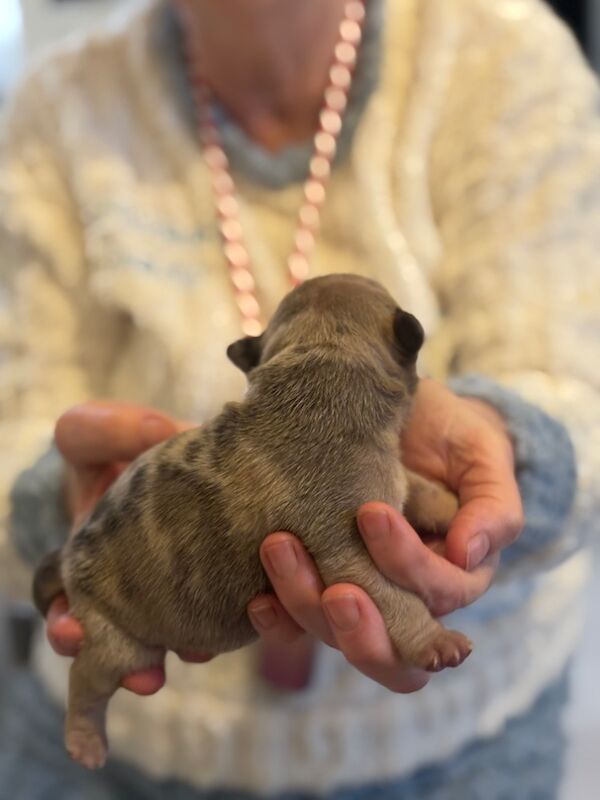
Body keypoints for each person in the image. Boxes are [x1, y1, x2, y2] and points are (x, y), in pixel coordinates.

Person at [0, 0, 599, 797]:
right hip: (131, 752)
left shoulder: (506, 60)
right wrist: (53, 502)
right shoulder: (57, 105)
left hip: (462, 751)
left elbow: (575, 394)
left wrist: (503, 451)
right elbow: (15, 417)